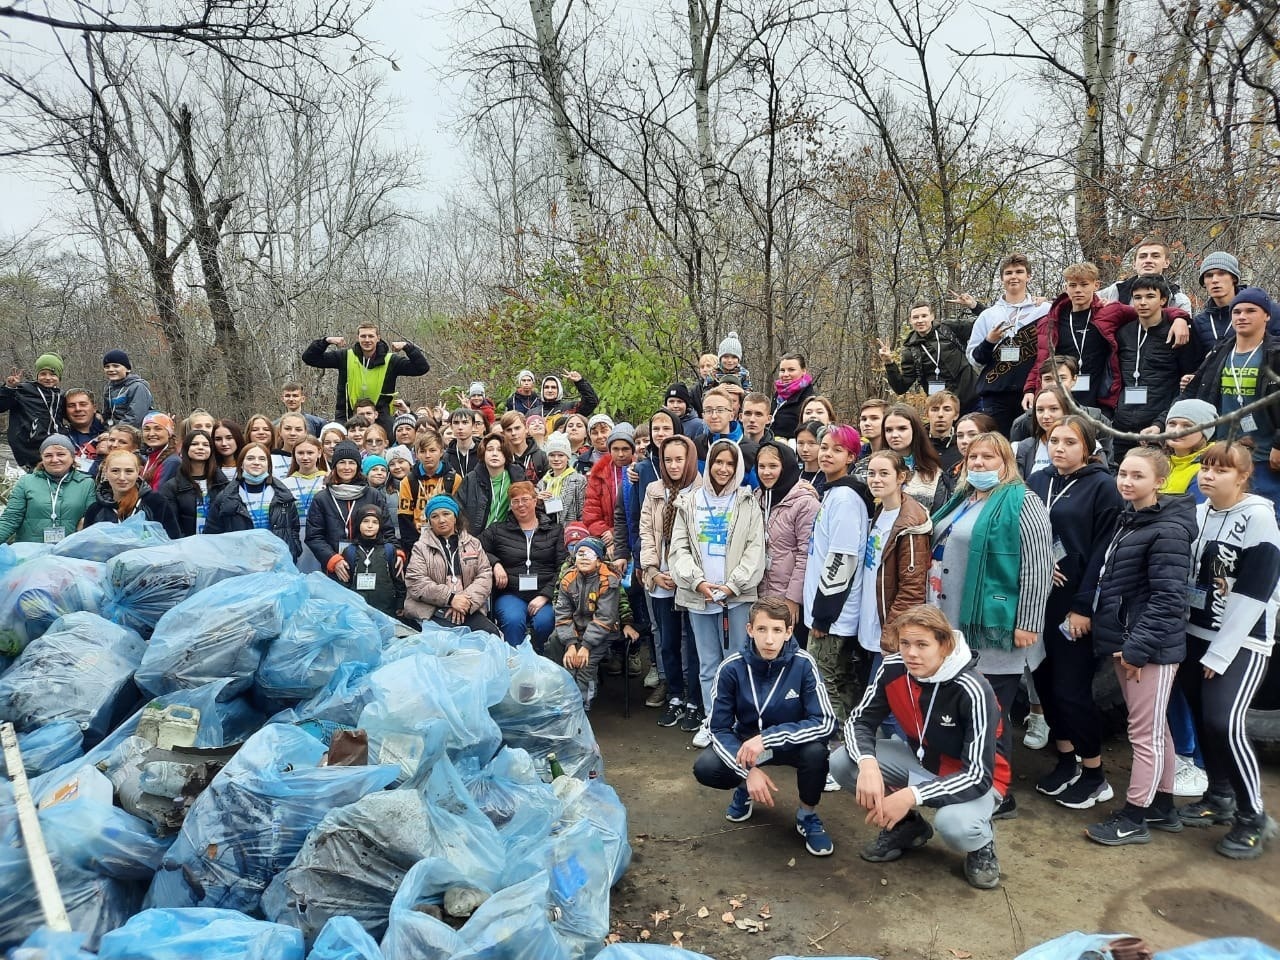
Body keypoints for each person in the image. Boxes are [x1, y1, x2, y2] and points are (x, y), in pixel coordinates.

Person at [828, 605, 1009, 890]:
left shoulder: (973, 689)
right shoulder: (892, 669)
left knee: (954, 825)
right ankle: (908, 826)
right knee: (842, 762)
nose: (911, 653)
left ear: (945, 645)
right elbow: (857, 722)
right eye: (905, 643)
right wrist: (868, 764)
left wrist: (910, 795)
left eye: (922, 644)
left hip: (976, 778)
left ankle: (981, 844)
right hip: (920, 760)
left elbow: (977, 774)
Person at [928, 432, 1053, 808]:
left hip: (994, 630)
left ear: (1006, 464)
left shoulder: (1024, 503)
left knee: (991, 715)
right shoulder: (963, 498)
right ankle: (963, 780)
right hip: (950, 622)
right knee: (962, 709)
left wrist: (1028, 621)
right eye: (973, 457)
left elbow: (1038, 567)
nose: (979, 463)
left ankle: (996, 794)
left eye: (989, 457)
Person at [1084, 447, 1194, 844]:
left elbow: (1169, 600)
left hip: (1148, 650)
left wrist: (1136, 648)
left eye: (1138, 476)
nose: (1127, 482)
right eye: (1124, 473)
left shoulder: (1168, 530)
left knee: (1143, 735)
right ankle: (1162, 805)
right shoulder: (1129, 520)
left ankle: (1135, 817)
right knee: (1155, 728)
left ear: (1159, 482)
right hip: (1127, 642)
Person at [1177, 439, 1280, 858]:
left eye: (1220, 469)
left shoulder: (1259, 519)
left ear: (1243, 476)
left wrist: (1220, 654)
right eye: (1205, 466)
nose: (1207, 474)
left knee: (1224, 722)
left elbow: (1255, 593)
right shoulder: (1197, 514)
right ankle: (1218, 797)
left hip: (1242, 640)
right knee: (1203, 718)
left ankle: (1253, 816)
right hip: (1193, 634)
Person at [1025, 417, 1123, 809]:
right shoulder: (1038, 481)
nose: (1059, 447)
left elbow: (1104, 552)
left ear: (1088, 447)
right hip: (1038, 601)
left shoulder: (1102, 487)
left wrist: (1084, 607)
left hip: (1075, 607)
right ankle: (1066, 760)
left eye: (1070, 441)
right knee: (1045, 684)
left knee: (1072, 690)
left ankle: (1095, 773)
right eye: (1053, 440)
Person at [694, 597, 837, 856]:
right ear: (749, 630)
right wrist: (747, 772)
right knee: (706, 767)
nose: (769, 639)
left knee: (817, 752)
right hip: (747, 745)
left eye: (777, 630)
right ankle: (742, 790)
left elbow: (825, 721)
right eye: (762, 629)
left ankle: (807, 815)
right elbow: (718, 729)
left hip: (790, 742)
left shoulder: (804, 664)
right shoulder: (731, 668)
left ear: (789, 632)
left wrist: (769, 738)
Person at [669, 439, 766, 748]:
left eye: (729, 463)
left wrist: (731, 585)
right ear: (708, 464)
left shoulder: (748, 502)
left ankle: (737, 723)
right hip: (700, 596)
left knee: (736, 660)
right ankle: (714, 720)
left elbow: (755, 550)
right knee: (709, 663)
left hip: (735, 598)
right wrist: (698, 582)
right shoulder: (690, 501)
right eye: (717, 462)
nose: (723, 469)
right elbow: (678, 549)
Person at [1023, 262, 1187, 416]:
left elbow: (1147, 310)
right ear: (1066, 287)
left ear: (1096, 285)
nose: (1078, 290)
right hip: (1060, 398)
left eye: (1084, 284)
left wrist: (1180, 318)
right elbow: (1041, 361)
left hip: (1099, 400)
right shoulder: (1051, 321)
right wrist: (1030, 390)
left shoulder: (1111, 311)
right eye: (1072, 285)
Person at [1182, 287, 1280, 516]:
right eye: (1236, 312)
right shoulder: (1221, 352)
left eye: (1250, 311)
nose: (1242, 316)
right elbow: (1195, 392)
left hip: (1267, 459)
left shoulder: (1275, 353)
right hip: (1223, 457)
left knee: (1268, 521)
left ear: (1267, 315)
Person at [804, 424, 874, 732]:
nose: (827, 454)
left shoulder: (845, 498)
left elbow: (842, 560)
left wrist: (823, 616)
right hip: (829, 612)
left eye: (837, 450)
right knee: (841, 677)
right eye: (824, 447)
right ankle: (849, 740)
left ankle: (833, 745)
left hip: (832, 614)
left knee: (822, 680)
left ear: (851, 457)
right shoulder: (833, 492)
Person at [640, 435, 704, 730]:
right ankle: (675, 696)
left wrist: (685, 576)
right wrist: (652, 570)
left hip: (690, 580)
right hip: (661, 578)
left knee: (692, 642)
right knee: (668, 642)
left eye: (680, 459)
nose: (674, 465)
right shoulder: (654, 490)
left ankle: (695, 701)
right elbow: (646, 533)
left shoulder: (702, 490)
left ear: (690, 459)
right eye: (668, 460)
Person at [1112, 275, 1199, 463]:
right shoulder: (1124, 332)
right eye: (1137, 297)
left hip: (1157, 428)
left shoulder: (1178, 333)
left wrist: (1161, 423)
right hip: (1121, 426)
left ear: (1163, 300)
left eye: (1150, 296)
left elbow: (1189, 386)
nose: (1143, 302)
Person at [860, 450, 932, 665]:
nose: (876, 479)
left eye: (884, 473)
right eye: (871, 473)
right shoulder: (881, 510)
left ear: (901, 477)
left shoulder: (910, 523)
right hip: (869, 624)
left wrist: (892, 637)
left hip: (887, 635)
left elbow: (911, 590)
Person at [966, 254, 1051, 435]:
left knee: (1031, 447)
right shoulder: (988, 315)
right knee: (998, 448)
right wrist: (990, 342)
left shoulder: (1044, 310)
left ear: (1029, 276)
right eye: (1008, 273)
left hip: (1032, 392)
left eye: (1019, 272)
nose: (1014, 276)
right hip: (996, 394)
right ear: (1002, 278)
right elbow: (974, 359)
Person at [481, 480, 567, 649]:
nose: (521, 505)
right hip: (511, 592)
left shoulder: (555, 530)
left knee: (545, 622)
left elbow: (563, 567)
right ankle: (515, 664)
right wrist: (495, 564)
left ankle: (539, 662)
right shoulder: (498, 530)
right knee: (513, 620)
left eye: (525, 499)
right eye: (515, 501)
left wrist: (545, 596)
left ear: (535, 501)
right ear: (510, 505)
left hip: (545, 592)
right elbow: (475, 548)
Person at [301, 323, 430, 428]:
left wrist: (407, 347)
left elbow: (422, 368)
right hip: (347, 414)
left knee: (391, 438)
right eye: (363, 336)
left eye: (370, 336)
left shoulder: (391, 361)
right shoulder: (345, 357)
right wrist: (326, 341)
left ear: (378, 338)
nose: (367, 340)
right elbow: (309, 358)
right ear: (358, 338)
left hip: (381, 417)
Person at [755, 440, 819, 648]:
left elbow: (805, 555)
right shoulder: (758, 497)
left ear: (787, 467)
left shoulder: (804, 503)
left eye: (773, 466)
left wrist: (792, 599)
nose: (766, 472)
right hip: (761, 593)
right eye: (761, 466)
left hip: (787, 596)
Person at [403, 494, 498, 634]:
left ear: (455, 517)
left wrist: (464, 601)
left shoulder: (473, 543)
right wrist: (450, 598)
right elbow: (416, 581)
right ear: (429, 521)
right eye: (434, 516)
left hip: (467, 606)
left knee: (491, 634)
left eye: (446, 514)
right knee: (445, 644)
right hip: (431, 609)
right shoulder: (420, 547)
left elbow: (485, 575)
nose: (441, 520)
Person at [549, 536, 625, 709]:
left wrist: (585, 646)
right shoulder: (568, 579)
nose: (583, 558)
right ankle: (565, 699)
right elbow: (562, 612)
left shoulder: (608, 580)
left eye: (589, 554)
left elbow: (605, 618)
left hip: (602, 632)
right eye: (580, 554)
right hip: (574, 629)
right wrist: (570, 644)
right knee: (562, 655)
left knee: (585, 665)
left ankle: (583, 704)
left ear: (599, 560)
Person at [305, 440, 398, 583]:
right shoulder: (322, 498)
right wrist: (332, 559)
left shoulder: (372, 495)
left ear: (358, 466)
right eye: (342, 462)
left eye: (352, 462)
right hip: (336, 566)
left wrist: (398, 552)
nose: (347, 467)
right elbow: (314, 536)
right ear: (335, 465)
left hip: (369, 562)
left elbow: (387, 530)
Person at [204, 441, 303, 560]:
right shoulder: (225, 497)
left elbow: (293, 529)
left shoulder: (283, 495)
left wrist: (293, 550)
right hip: (240, 565)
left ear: (268, 465)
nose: (256, 462)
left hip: (278, 564)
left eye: (262, 459)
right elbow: (212, 534)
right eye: (250, 458)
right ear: (241, 464)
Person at [880, 301, 978, 410]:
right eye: (916, 317)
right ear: (910, 320)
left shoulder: (948, 329)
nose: (920, 320)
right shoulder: (910, 350)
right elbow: (900, 387)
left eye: (924, 316)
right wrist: (889, 363)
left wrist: (974, 305)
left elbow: (985, 321)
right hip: (942, 408)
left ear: (932, 316)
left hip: (973, 398)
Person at [1188, 252, 1280, 365]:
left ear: (1234, 278)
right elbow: (1195, 364)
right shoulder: (1200, 321)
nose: (1215, 280)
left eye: (1221, 273)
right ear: (1203, 282)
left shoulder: (1266, 310)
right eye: (1209, 275)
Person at [0, 435, 95, 544]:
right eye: (48, 455)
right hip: (31, 551)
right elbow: (10, 519)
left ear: (72, 457)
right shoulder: (26, 482)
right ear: (42, 458)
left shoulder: (87, 483)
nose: (54, 459)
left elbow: (90, 521)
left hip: (69, 552)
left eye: (61, 454)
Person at [82, 449, 180, 537]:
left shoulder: (156, 503)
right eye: (115, 471)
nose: (122, 477)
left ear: (138, 472)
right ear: (106, 472)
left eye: (129, 471)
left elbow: (172, 540)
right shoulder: (95, 510)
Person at [397, 429, 462, 552]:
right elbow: (404, 518)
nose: (427, 456)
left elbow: (459, 515)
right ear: (416, 454)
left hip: (448, 539)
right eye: (422, 451)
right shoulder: (409, 481)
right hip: (418, 539)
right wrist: (414, 547)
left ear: (441, 452)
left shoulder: (453, 479)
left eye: (432, 450)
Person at [336, 504, 405, 619]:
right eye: (365, 521)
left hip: (386, 609)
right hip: (358, 611)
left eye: (375, 522)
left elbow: (398, 580)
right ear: (359, 524)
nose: (370, 526)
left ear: (380, 526)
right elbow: (344, 583)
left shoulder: (389, 549)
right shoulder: (350, 551)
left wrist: (400, 603)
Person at [882, 404, 954, 512]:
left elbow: (939, 514)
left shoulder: (933, 472)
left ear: (915, 430)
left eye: (902, 429)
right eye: (888, 430)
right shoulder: (873, 468)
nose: (894, 435)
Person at [159, 430, 229, 537]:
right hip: (185, 547)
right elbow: (171, 524)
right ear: (186, 449)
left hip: (217, 546)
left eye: (206, 445)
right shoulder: (171, 487)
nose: (200, 448)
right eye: (194, 444)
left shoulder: (223, 484)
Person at [0, 354, 63, 470]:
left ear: (59, 377)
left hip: (52, 446)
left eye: (53, 374)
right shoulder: (23, 390)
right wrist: (9, 388)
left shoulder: (60, 396)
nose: (48, 378)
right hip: (28, 447)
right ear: (37, 375)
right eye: (43, 374)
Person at [1098, 237, 1194, 312]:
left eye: (1155, 256)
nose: (1148, 260)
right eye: (1143, 256)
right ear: (1134, 264)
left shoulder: (1177, 299)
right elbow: (1086, 299)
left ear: (1166, 263)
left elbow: (1185, 332)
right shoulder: (1117, 290)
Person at [457, 434, 526, 535]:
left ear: (506, 454)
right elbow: (459, 509)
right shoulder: (471, 479)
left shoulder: (517, 477)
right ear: (483, 453)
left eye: (500, 450)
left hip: (508, 537)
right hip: (477, 537)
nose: (495, 454)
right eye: (490, 449)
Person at [583, 423, 635, 541]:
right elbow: (591, 513)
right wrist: (606, 534)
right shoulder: (598, 474)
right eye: (615, 449)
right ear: (609, 450)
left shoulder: (640, 471)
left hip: (635, 535)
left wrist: (616, 533)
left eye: (625, 449)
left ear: (633, 449)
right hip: (605, 536)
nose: (620, 454)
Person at [1014, 386, 1069, 478]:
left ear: (1066, 410)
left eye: (1053, 409)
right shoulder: (1022, 448)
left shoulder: (1087, 445)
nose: (1046, 416)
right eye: (1040, 410)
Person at [536, 433, 586, 524]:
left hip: (569, 531)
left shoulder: (579, 480)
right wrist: (537, 500)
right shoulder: (542, 482)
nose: (556, 459)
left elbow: (582, 513)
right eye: (552, 455)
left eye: (560, 455)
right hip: (547, 531)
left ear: (568, 457)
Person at [101, 350, 153, 428]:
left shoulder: (137, 387)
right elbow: (107, 415)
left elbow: (135, 418)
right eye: (107, 367)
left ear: (127, 369)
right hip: (114, 430)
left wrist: (114, 431)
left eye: (116, 366)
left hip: (133, 432)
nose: (110, 369)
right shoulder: (108, 389)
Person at [770, 353, 816, 440]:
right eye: (782, 370)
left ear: (803, 371)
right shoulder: (779, 394)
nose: (786, 374)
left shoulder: (809, 399)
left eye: (791, 370)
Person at [60, 388, 106, 473]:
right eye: (71, 405)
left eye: (83, 404)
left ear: (94, 408)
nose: (77, 409)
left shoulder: (110, 437)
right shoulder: (60, 437)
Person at [535, 371, 600, 427]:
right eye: (546, 387)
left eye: (553, 387)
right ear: (542, 390)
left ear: (559, 390)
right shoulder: (533, 412)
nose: (550, 390)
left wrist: (580, 382)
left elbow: (591, 402)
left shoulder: (570, 407)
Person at [500, 411, 550, 483]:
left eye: (517, 428)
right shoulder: (502, 457)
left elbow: (549, 485)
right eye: (509, 430)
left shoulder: (542, 456)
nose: (513, 433)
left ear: (526, 429)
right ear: (503, 433)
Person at [139, 413, 180, 490]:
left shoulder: (172, 462)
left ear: (169, 433)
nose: (151, 434)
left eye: (158, 429)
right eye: (147, 429)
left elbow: (159, 495)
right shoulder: (150, 457)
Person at [925, 392, 963, 472]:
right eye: (935, 409)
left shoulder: (963, 444)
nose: (940, 414)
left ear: (956, 415)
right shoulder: (916, 442)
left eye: (947, 409)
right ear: (927, 415)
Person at [852, 400, 888, 481]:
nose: (867, 423)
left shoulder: (895, 456)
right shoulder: (859, 454)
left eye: (874, 418)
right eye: (863, 419)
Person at [795, 421, 825, 490]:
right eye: (800, 443)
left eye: (812, 443)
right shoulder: (792, 476)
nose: (805, 449)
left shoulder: (828, 478)